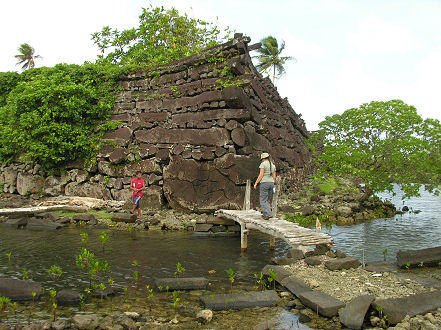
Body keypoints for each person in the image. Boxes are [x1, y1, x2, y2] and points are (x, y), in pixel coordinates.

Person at [253, 152, 276, 220]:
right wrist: (272, 183)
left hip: (264, 183)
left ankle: (268, 214)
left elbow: (261, 175)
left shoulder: (263, 164)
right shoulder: (273, 165)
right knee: (267, 200)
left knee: (263, 200)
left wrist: (256, 183)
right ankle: (266, 214)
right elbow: (274, 177)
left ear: (263, 159)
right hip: (271, 183)